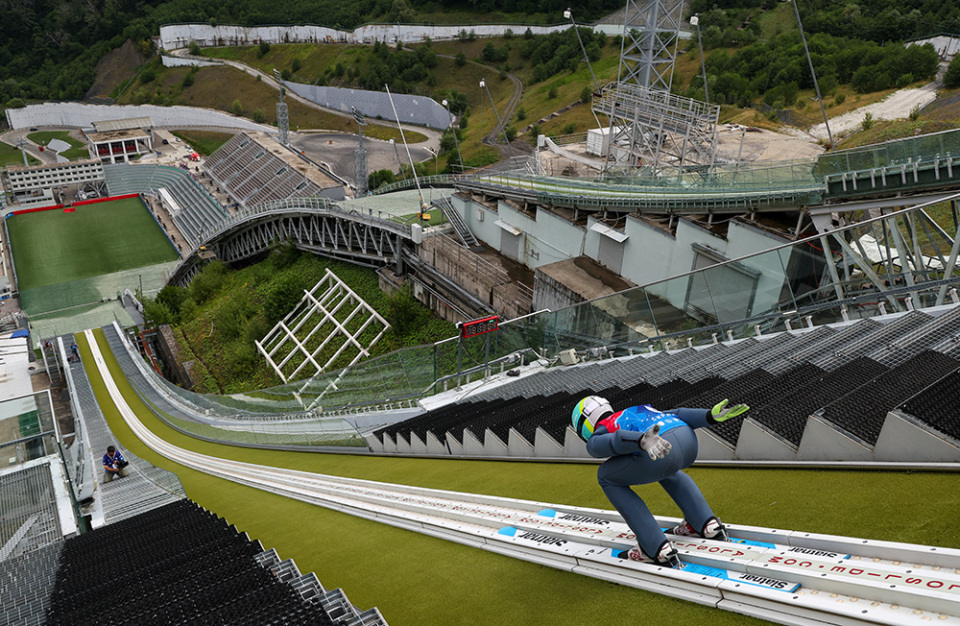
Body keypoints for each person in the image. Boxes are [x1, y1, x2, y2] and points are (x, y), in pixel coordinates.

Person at [571, 396, 749, 567]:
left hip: (657, 449)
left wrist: (640, 440)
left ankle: (655, 548)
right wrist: (709, 416)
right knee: (667, 468)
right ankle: (705, 523)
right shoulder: (635, 410)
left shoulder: (606, 425)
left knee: (606, 476)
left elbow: (597, 445)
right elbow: (677, 413)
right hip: (687, 441)